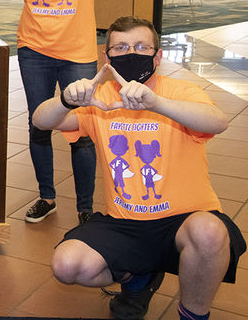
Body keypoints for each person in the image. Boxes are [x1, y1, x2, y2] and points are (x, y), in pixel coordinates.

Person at [33, 16, 246, 320]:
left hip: (182, 221)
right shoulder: (101, 97)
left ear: (157, 56)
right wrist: (66, 99)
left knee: (210, 232)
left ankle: (193, 314)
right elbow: (40, 121)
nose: (131, 53)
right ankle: (137, 280)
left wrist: (156, 103)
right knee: (67, 265)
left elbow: (218, 121)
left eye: (141, 46)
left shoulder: (178, 92)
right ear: (107, 58)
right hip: (124, 222)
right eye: (120, 47)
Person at [0, 0, 119, 225]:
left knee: (80, 128)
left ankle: (85, 207)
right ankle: (46, 197)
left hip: (77, 50)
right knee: (39, 124)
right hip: (34, 48)